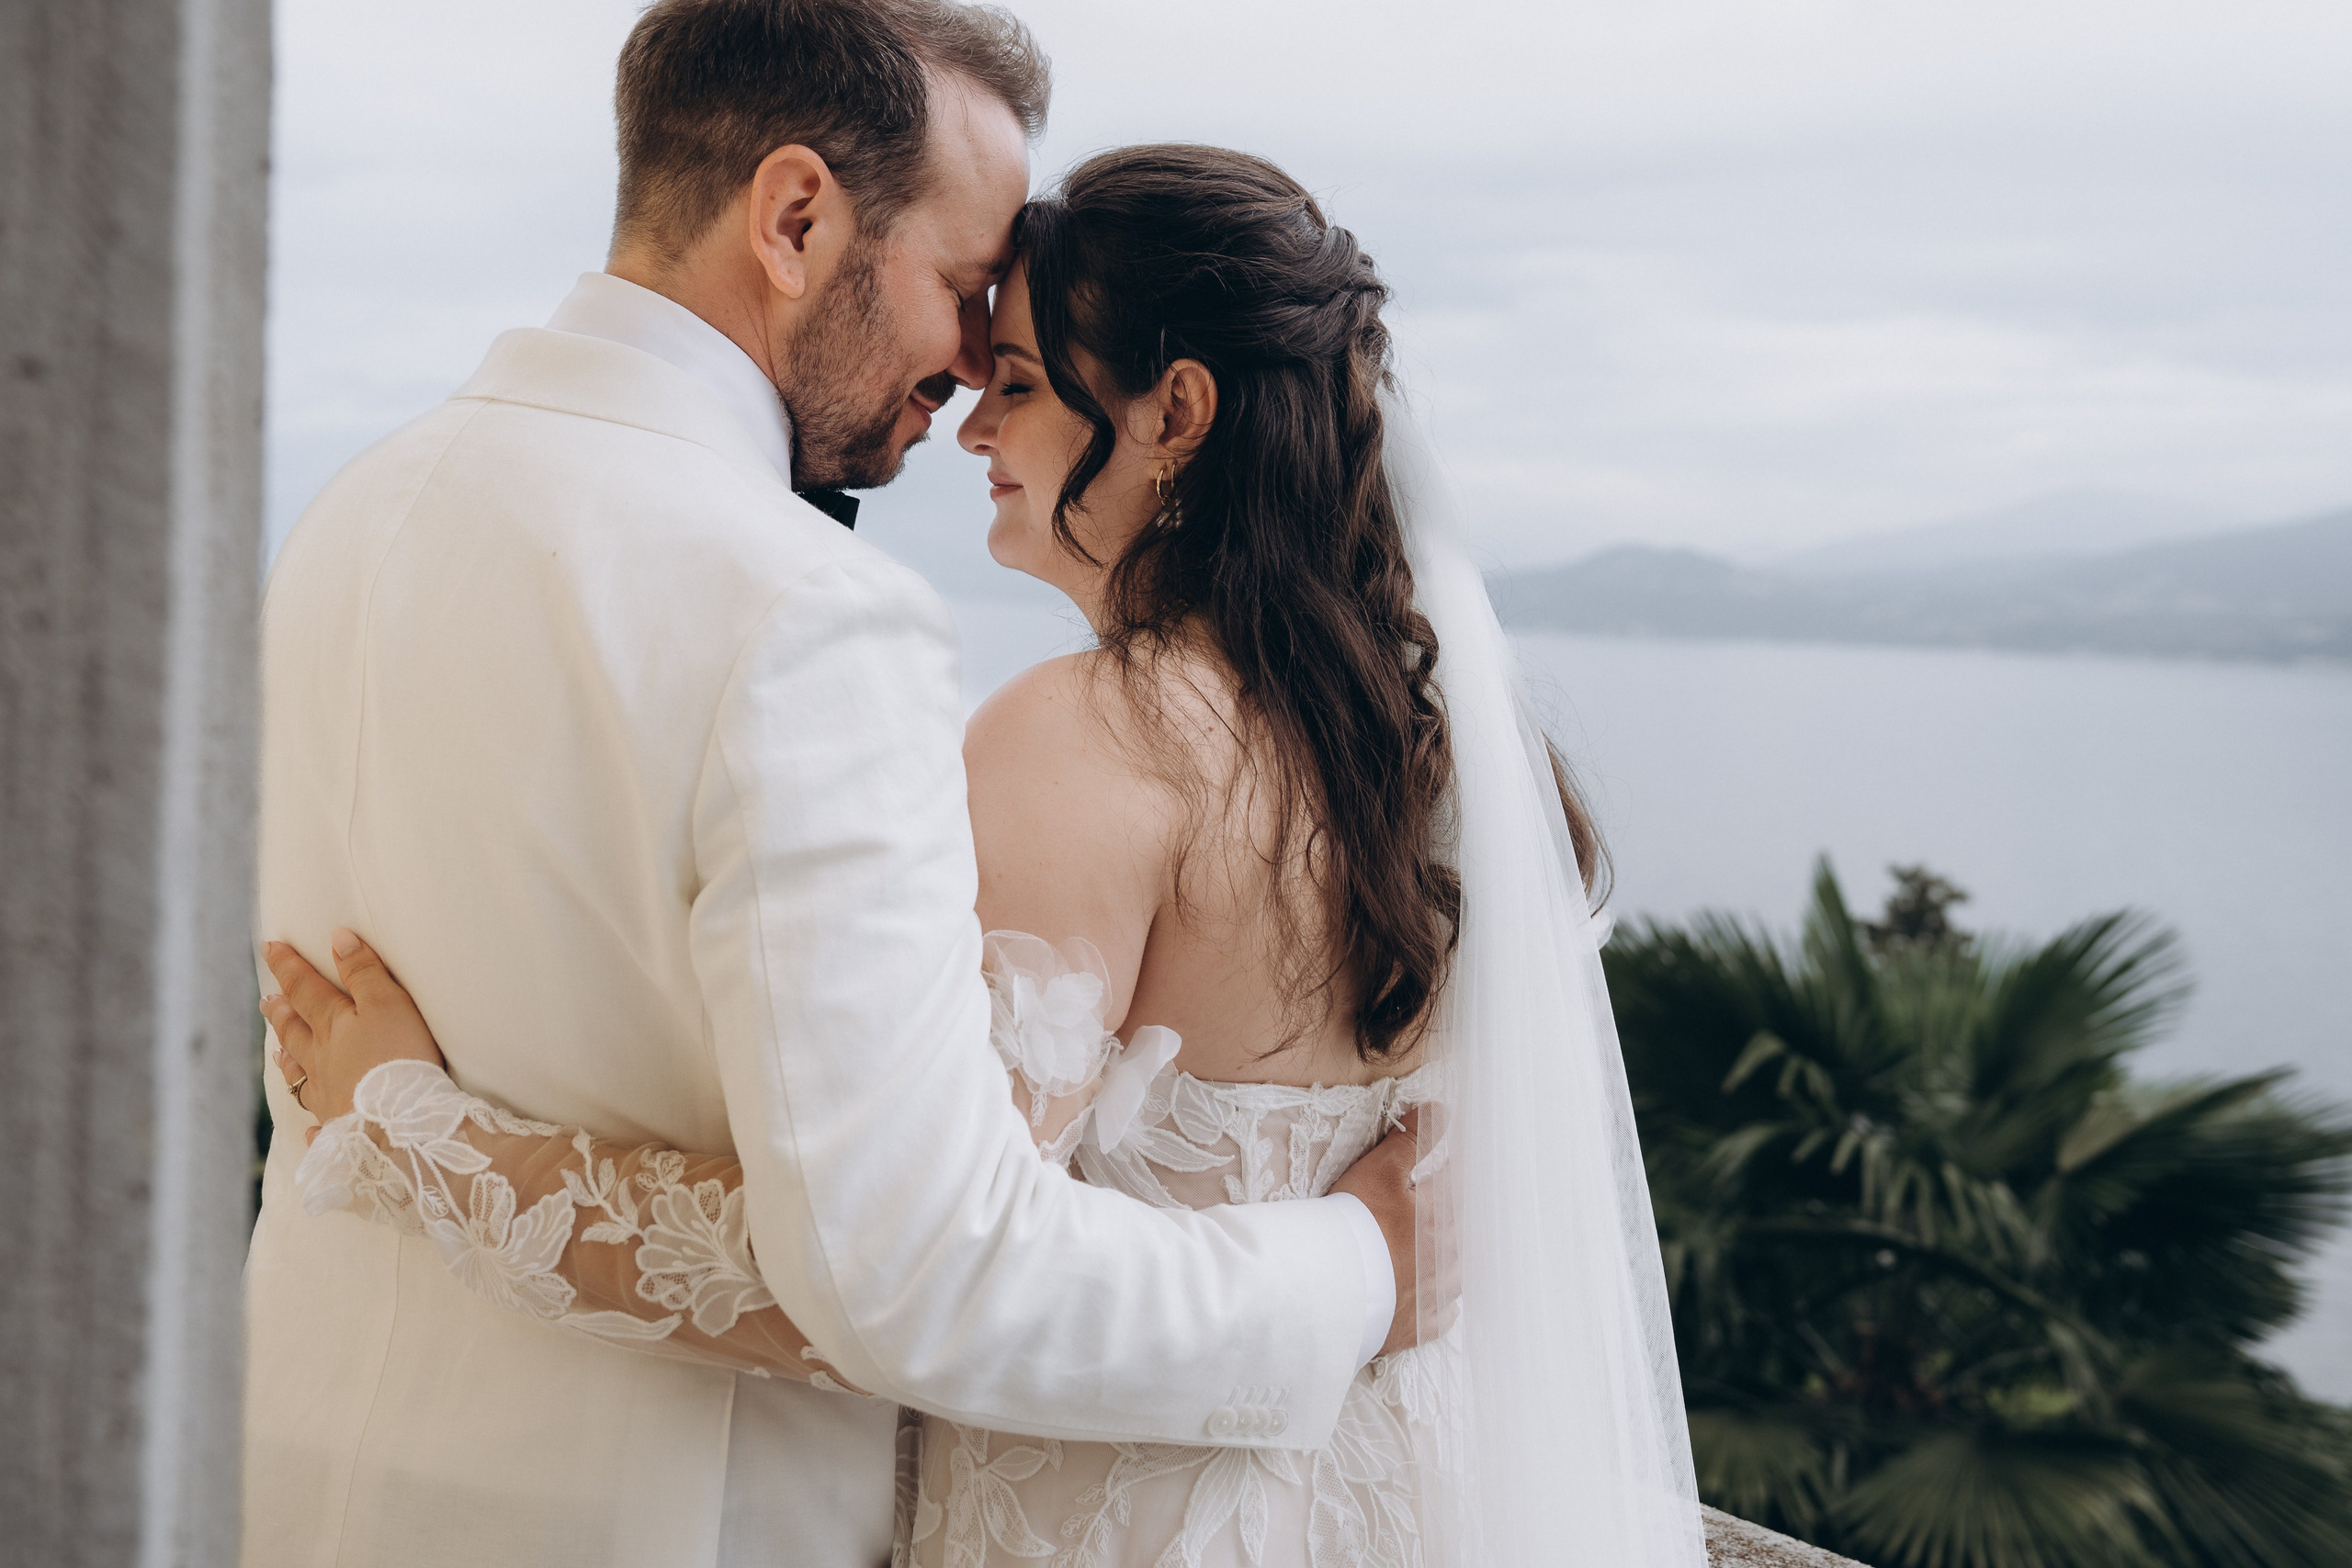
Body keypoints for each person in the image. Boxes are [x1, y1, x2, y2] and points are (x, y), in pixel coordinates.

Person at [261, 140, 1707, 1565]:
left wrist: (415, 1130)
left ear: (1173, 412)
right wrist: (1364, 1271)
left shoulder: (1090, 740)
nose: (968, 428)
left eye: (1015, 385)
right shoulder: (1439, 750)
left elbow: (876, 1285)